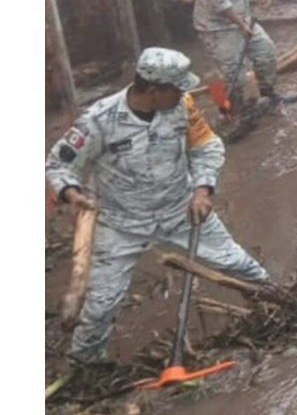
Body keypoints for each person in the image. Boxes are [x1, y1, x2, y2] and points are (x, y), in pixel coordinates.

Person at [46, 47, 269, 364]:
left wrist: (203, 189)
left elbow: (206, 146)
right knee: (101, 306)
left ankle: (281, 308)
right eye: (177, 88)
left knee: (243, 267)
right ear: (152, 90)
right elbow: (58, 165)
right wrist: (71, 193)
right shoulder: (98, 120)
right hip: (121, 224)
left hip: (181, 209)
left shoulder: (183, 106)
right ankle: (86, 368)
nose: (185, 93)